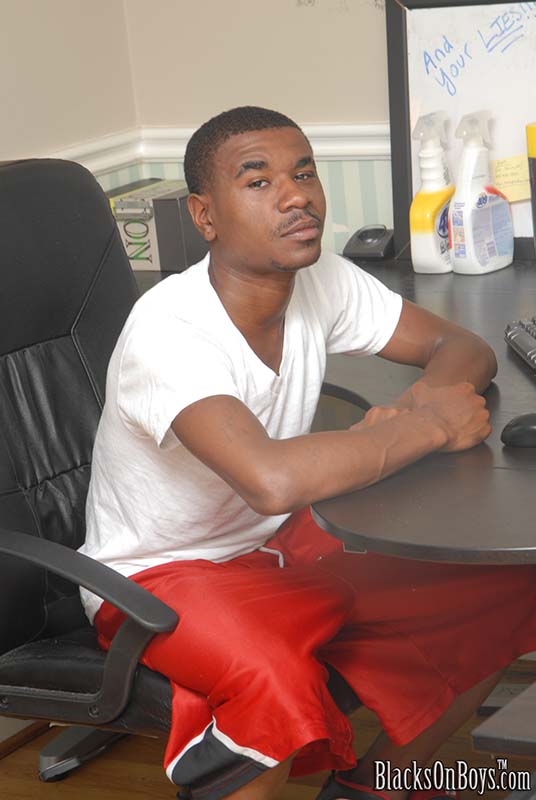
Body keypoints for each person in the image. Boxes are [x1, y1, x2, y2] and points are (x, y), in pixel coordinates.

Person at [80, 106, 536, 800]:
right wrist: (426, 429)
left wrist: (424, 405)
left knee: (503, 588)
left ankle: (376, 786)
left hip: (280, 542)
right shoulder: (169, 332)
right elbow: (270, 479)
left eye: (304, 173)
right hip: (158, 576)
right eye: (258, 181)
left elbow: (461, 347)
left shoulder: (320, 279)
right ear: (205, 216)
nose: (295, 196)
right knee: (272, 673)